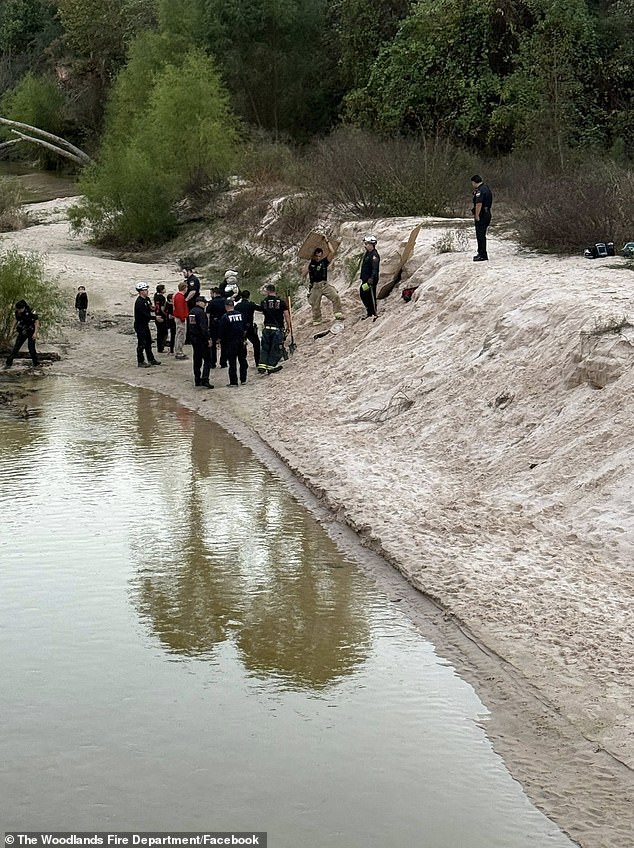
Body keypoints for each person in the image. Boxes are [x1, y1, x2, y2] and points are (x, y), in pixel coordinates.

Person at [304, 243, 344, 325]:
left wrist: (327, 242)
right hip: (315, 287)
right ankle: (317, 320)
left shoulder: (324, 262)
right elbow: (303, 274)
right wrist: (307, 264)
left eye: (320, 256)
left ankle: (338, 313)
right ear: (314, 256)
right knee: (315, 305)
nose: (318, 258)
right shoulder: (310, 264)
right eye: (317, 256)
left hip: (324, 285)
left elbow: (332, 252)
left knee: (335, 296)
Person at [258, 284, 290, 375]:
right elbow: (287, 315)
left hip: (267, 328)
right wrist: (289, 326)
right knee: (275, 348)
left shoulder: (263, 302)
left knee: (265, 347)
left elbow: (262, 312)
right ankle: (271, 366)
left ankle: (262, 365)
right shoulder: (281, 302)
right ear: (275, 291)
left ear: (267, 291)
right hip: (277, 328)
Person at [218, 298, 248, 386]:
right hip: (241, 340)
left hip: (230, 342)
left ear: (226, 307)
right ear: (233, 306)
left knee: (232, 362)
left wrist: (219, 340)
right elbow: (245, 327)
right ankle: (243, 379)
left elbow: (221, 331)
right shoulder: (241, 315)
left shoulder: (225, 317)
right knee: (242, 360)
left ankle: (233, 382)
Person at [187, 294, 214, 388]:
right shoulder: (201, 313)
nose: (205, 305)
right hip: (201, 339)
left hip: (194, 338)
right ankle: (205, 379)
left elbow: (190, 325)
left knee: (197, 359)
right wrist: (208, 339)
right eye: (204, 303)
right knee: (207, 360)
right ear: (199, 302)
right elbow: (204, 328)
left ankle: (197, 379)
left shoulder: (191, 312)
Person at [133, 282, 161, 368]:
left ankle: (151, 359)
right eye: (144, 290)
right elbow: (144, 315)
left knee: (148, 342)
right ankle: (140, 361)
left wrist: (154, 308)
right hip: (140, 325)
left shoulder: (147, 299)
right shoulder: (139, 302)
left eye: (146, 289)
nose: (146, 291)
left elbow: (149, 307)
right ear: (140, 291)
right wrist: (155, 318)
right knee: (141, 343)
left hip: (145, 324)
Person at [5, 300, 39, 367]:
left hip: (31, 331)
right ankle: (8, 363)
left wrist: (35, 333)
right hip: (22, 331)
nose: (19, 311)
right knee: (16, 348)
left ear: (24, 307)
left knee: (31, 349)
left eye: (20, 309)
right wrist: (12, 329)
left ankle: (36, 363)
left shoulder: (31, 311)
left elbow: (36, 323)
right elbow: (16, 320)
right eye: (18, 309)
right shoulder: (18, 312)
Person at [234, 289, 262, 366]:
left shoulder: (237, 306)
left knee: (242, 345)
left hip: (240, 328)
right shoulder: (251, 304)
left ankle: (243, 362)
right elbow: (261, 309)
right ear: (249, 296)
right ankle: (257, 361)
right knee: (256, 344)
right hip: (250, 328)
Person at [471, 175, 493, 261]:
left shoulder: (480, 191)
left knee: (480, 235)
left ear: (474, 182)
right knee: (482, 234)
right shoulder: (486, 188)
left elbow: (479, 204)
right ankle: (482, 253)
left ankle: (482, 254)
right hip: (487, 213)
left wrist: (477, 215)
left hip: (482, 214)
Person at [359, 234, 380, 320]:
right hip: (365, 279)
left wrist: (372, 278)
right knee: (364, 294)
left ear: (371, 245)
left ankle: (373, 312)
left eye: (367, 244)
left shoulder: (374, 255)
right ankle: (370, 311)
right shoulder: (368, 253)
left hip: (370, 280)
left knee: (369, 295)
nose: (365, 245)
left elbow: (375, 268)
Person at [206, 286, 227, 368]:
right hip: (224, 325)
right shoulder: (225, 301)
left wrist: (207, 326)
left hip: (214, 325)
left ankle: (213, 362)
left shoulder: (211, 303)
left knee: (213, 344)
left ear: (214, 293)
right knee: (224, 344)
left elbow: (207, 315)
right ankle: (223, 362)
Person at [172, 281, 189, 359]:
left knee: (179, 334)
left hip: (179, 317)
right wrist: (182, 317)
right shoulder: (180, 297)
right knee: (181, 335)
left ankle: (178, 351)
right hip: (180, 318)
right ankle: (179, 352)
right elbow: (180, 308)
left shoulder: (177, 296)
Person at [153, 284, 168, 353]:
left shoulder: (155, 296)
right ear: (162, 290)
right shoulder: (162, 298)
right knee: (164, 333)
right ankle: (161, 347)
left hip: (157, 314)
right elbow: (162, 308)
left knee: (159, 333)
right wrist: (166, 314)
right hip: (161, 316)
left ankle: (160, 347)